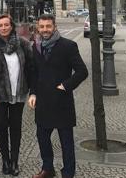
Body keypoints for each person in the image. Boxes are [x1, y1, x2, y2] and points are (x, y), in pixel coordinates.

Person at [29, 14, 88, 178]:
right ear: (38, 28)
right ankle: (48, 169)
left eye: (48, 26)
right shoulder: (36, 46)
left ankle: (68, 173)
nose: (45, 30)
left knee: (66, 143)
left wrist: (65, 86)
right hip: (43, 102)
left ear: (54, 27)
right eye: (42, 27)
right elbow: (34, 72)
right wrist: (32, 93)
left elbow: (82, 71)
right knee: (42, 138)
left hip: (62, 102)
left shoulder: (68, 46)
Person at [0, 14, 33, 176]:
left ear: (12, 26)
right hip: (0, 95)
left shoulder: (23, 44)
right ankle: (5, 160)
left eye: (6, 25)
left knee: (15, 128)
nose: (4, 28)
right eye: (0, 26)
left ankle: (14, 161)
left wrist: (32, 90)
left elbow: (31, 68)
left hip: (18, 93)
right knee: (0, 127)